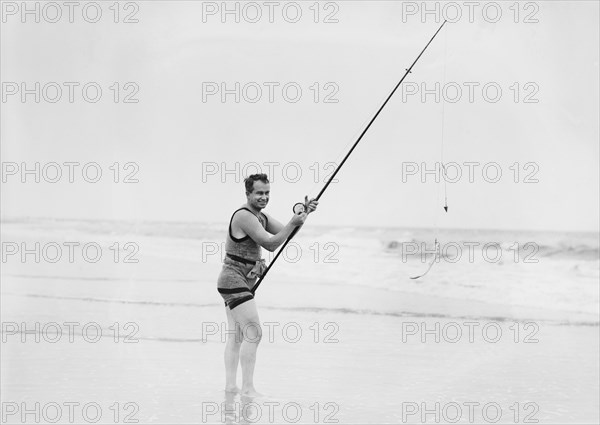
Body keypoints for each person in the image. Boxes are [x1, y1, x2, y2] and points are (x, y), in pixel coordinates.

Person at [217, 173, 318, 397]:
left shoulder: (261, 216)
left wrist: (304, 214)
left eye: (267, 193)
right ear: (248, 194)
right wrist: (294, 221)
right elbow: (271, 244)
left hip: (241, 280)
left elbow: (287, 232)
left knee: (237, 335)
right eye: (259, 193)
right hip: (233, 280)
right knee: (254, 332)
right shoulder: (244, 216)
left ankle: (231, 387)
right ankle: (248, 389)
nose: (264, 197)